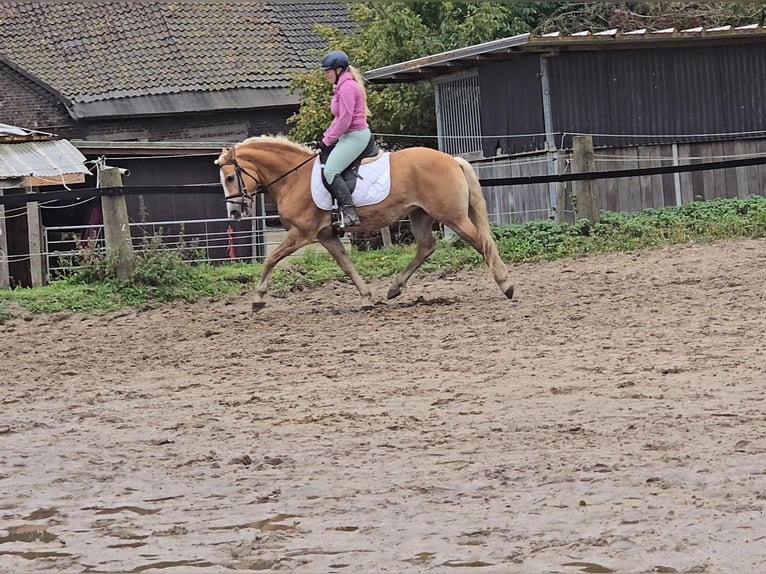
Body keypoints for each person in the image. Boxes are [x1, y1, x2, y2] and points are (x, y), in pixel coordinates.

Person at [318, 50, 371, 228]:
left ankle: (349, 212)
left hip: (355, 135)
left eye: (328, 71)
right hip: (348, 135)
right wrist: (326, 136)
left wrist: (328, 140)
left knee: (330, 171)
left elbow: (345, 119)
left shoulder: (347, 87)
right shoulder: (341, 87)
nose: (326, 75)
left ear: (339, 70)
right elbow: (338, 118)